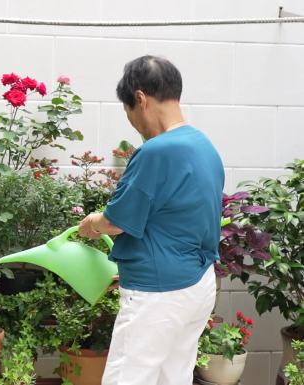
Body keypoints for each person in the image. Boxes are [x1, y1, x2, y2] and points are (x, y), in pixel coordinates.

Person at [78, 55, 224, 385]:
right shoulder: (204, 147)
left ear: (140, 99)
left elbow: (117, 220)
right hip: (197, 285)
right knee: (172, 377)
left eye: (129, 111)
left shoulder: (157, 151)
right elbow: (176, 221)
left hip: (159, 294)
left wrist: (93, 223)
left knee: (125, 379)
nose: (133, 121)